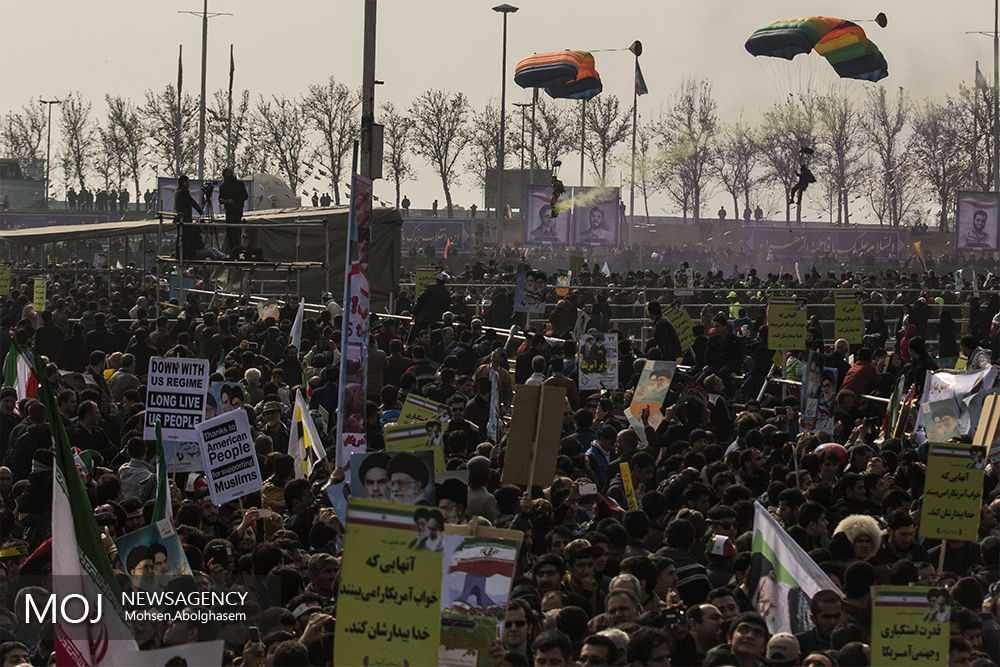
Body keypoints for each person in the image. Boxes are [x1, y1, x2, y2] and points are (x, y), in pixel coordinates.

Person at [176, 175, 227, 261]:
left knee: (211, 249)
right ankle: (221, 259)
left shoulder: (177, 192)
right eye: (188, 182)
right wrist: (200, 211)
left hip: (181, 218)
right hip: (184, 220)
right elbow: (191, 202)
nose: (189, 184)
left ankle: (224, 257)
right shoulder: (183, 192)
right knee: (209, 251)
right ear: (184, 182)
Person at [218, 167, 249, 254]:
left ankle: (238, 248)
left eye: (229, 173)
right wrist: (223, 200)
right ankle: (232, 249)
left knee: (236, 229)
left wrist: (234, 200)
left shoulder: (239, 184)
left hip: (237, 209)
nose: (228, 175)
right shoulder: (223, 186)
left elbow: (245, 196)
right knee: (229, 230)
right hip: (228, 210)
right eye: (226, 174)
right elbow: (220, 197)